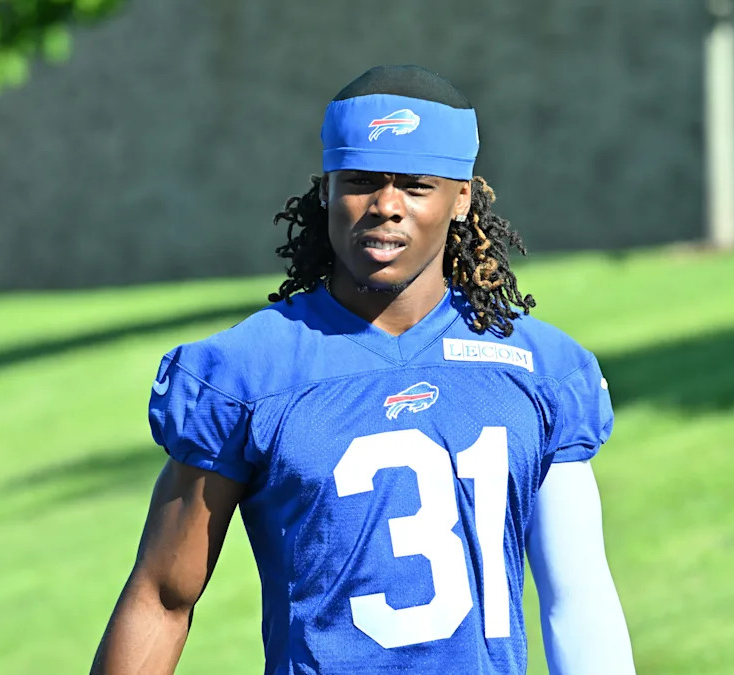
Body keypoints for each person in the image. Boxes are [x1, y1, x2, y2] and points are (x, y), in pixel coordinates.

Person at [91, 65, 635, 675]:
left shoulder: (541, 370)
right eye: (360, 181)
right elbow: (163, 599)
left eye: (415, 186)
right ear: (325, 190)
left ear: (461, 200)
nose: (385, 207)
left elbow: (578, 599)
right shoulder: (246, 372)